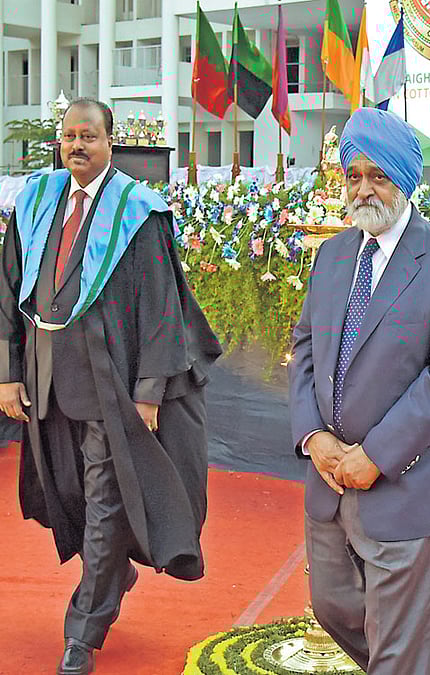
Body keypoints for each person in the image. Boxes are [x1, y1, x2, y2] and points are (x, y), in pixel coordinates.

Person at [0, 98, 221, 675]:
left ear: (110, 142)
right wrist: (6, 372)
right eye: (69, 136)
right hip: (45, 382)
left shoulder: (137, 214)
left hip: (108, 384)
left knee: (103, 506)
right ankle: (114, 569)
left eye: (89, 137)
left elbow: (162, 306)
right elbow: (6, 294)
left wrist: (149, 390)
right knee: (66, 497)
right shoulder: (36, 203)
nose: (78, 146)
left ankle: (83, 632)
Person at [287, 107, 430, 675]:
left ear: (405, 179)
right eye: (354, 175)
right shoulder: (333, 255)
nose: (364, 188)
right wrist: (312, 436)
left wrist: (377, 454)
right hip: (329, 483)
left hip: (408, 485)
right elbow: (304, 350)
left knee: (396, 653)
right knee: (333, 609)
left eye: (380, 175)